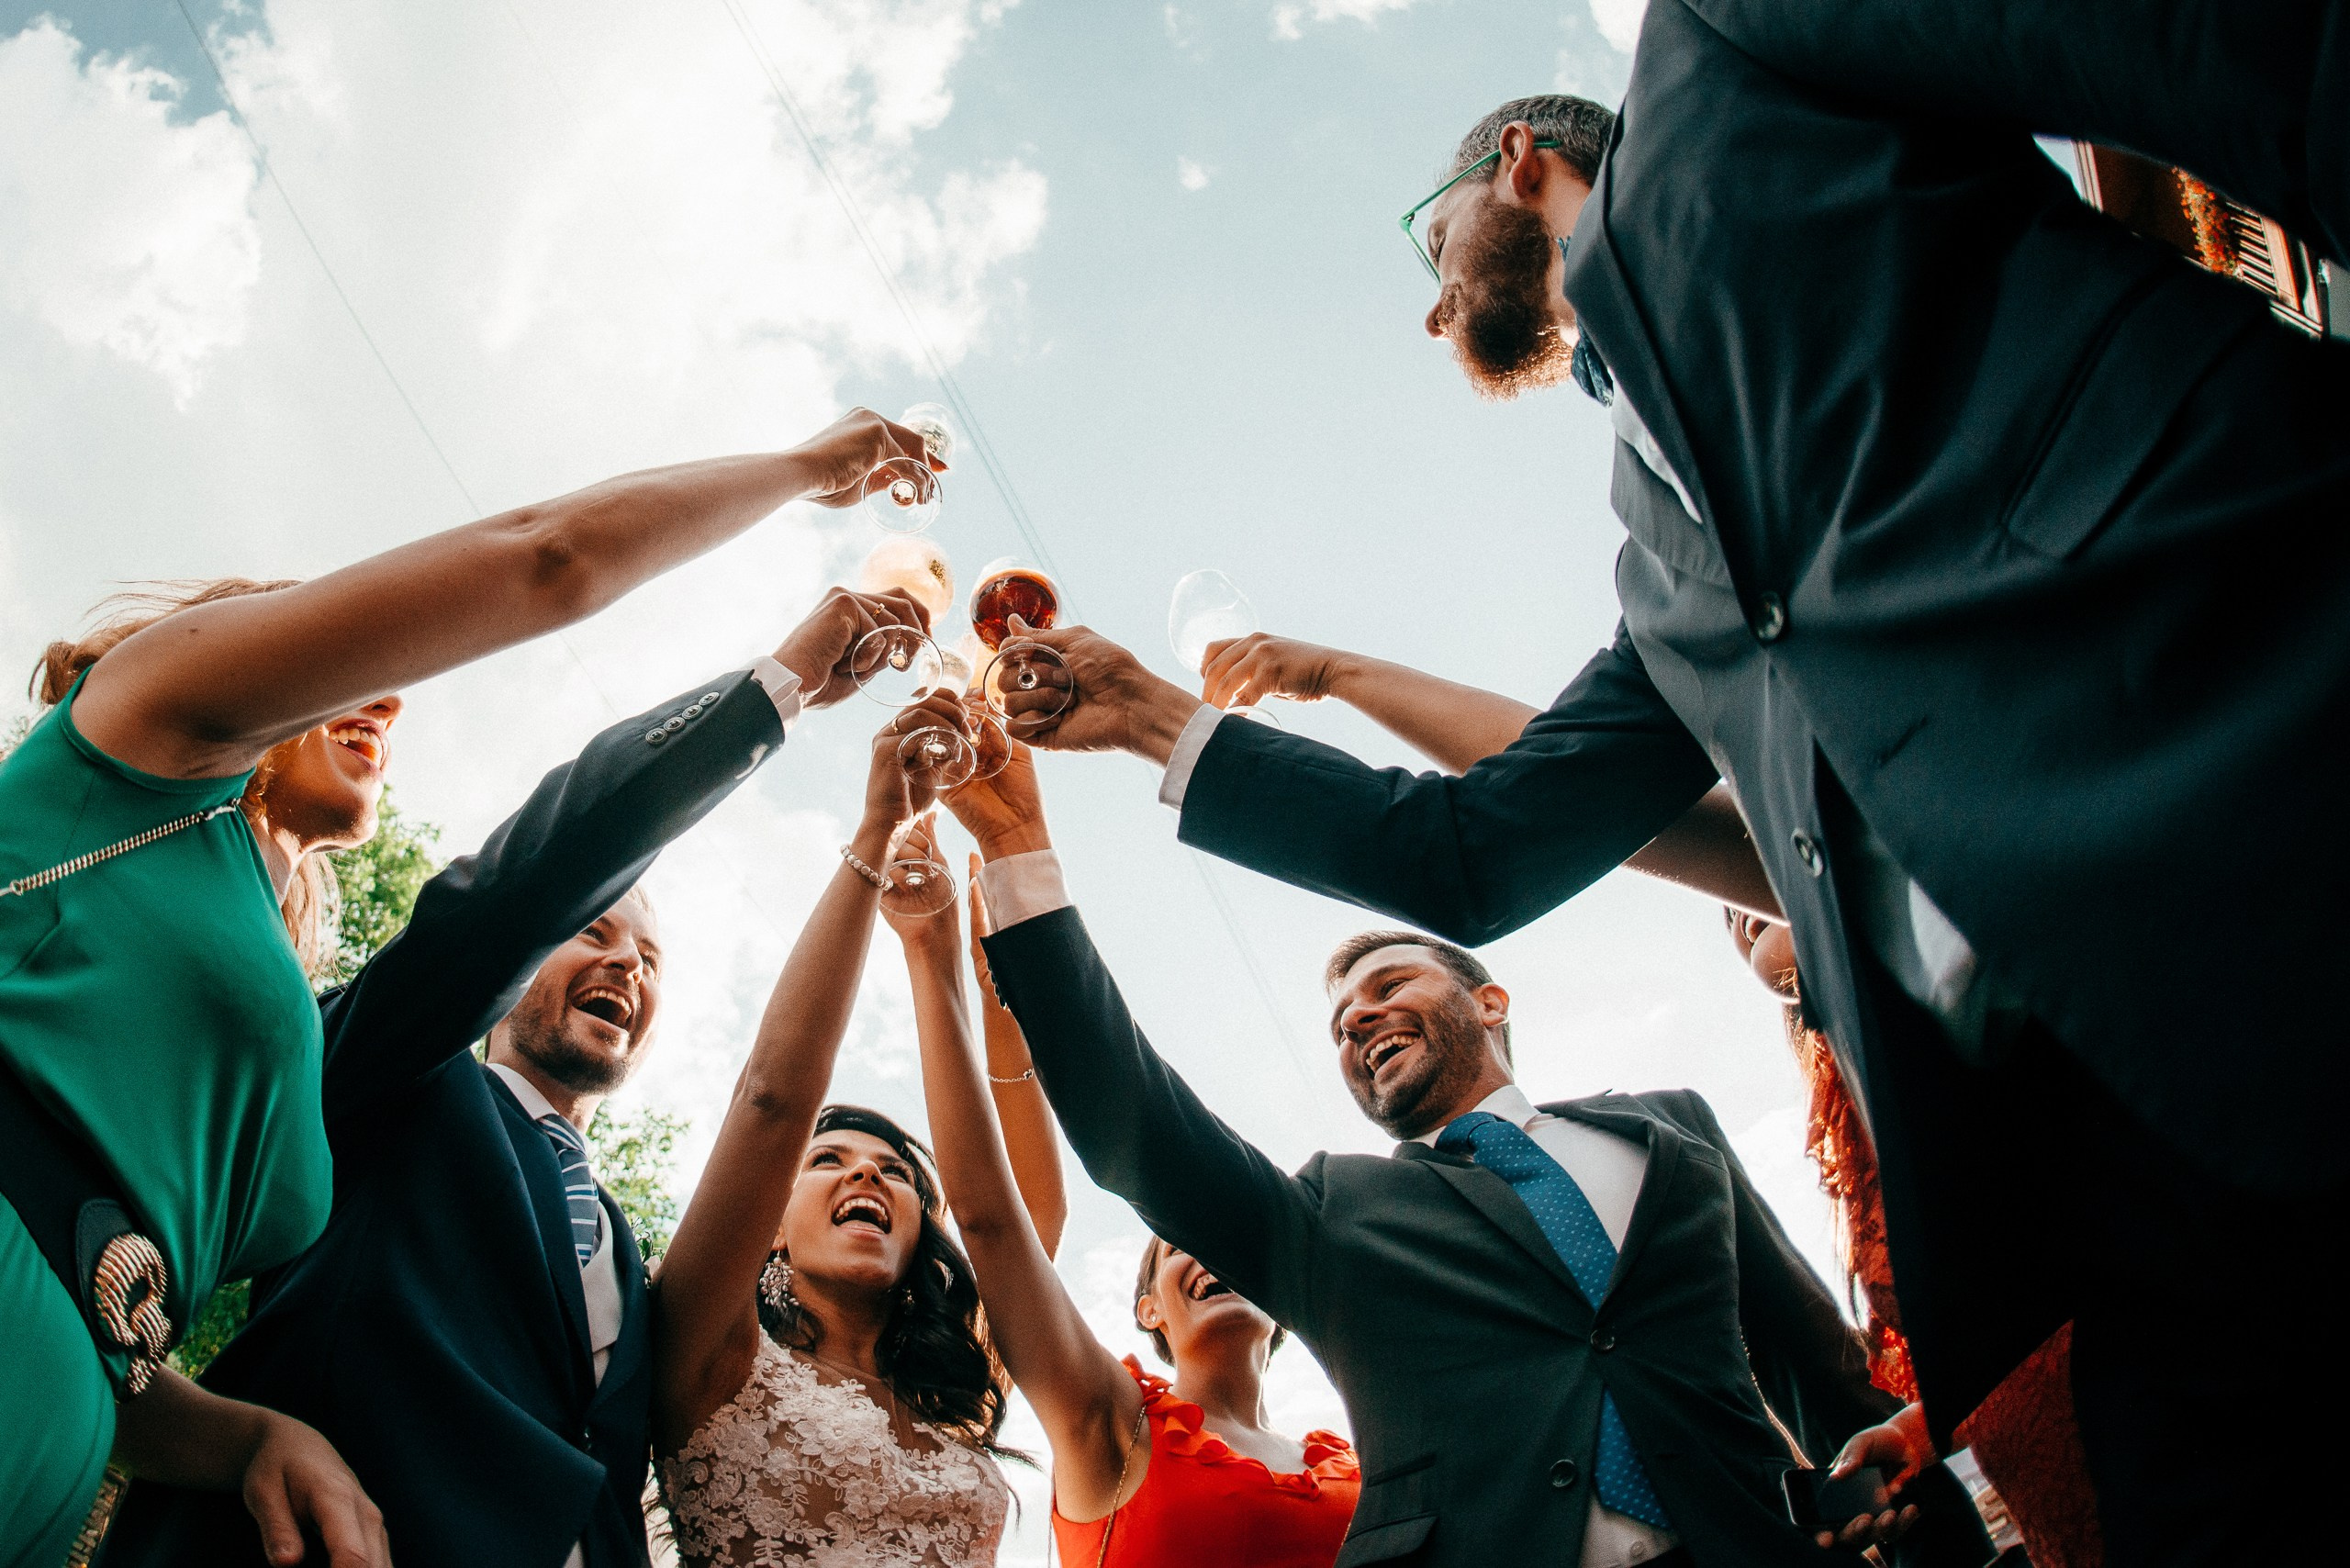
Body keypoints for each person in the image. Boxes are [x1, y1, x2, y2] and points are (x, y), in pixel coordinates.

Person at [1005, 43, 2350, 1556]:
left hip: (2284, 833)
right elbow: (1466, 846)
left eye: (1429, 240)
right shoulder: (1666, 574)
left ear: (1521, 160)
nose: (1435, 300)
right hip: (2122, 1218)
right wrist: (1155, 722)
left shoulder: (1732, 72)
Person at [0, 406, 932, 1568]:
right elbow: (548, 582)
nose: (390, 695)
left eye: (652, 956)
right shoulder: (144, 743)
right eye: (339, 655)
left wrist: (249, 1440)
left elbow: (125, 1312)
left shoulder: (280, 1062)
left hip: (59, 1441)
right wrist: (791, 598)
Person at [943, 752, 1956, 1568]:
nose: (1359, 1018)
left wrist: (1937, 1529)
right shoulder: (1330, 1212)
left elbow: (1820, 1373)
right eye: (1340, 1021)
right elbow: (1138, 1126)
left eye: (1388, 982)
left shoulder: (1672, 1130)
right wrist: (1017, 848)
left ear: (1487, 1000)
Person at [890, 773, 1360, 1568]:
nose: (1210, 1251)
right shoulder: (1112, 1424)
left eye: (1230, 1248)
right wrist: (944, 970)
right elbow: (998, 1226)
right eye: (1178, 1246)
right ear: (1147, 1309)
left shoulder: (1350, 1463)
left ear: (1284, 1308)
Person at [652, 695, 1017, 1568]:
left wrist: (934, 956)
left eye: (897, 1172)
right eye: (829, 1161)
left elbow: (1010, 1220)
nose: (868, 1177)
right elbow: (772, 1097)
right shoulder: (713, 1352)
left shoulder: (961, 1394)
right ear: (771, 1225)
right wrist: (877, 827)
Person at [1729, 913, 2098, 1568]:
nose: (1737, 921)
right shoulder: (1854, 1082)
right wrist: (1923, 1430)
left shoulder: (1990, 979)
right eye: (1724, 918)